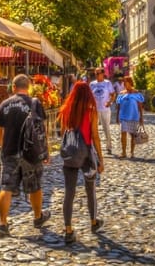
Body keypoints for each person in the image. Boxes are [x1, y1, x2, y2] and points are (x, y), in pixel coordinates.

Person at [0, 74, 50, 237]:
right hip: (31, 152)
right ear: (29, 87)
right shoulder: (34, 104)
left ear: (13, 87)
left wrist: (4, 144)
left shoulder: (5, 104)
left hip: (10, 151)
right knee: (35, 186)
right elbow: (42, 130)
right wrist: (46, 150)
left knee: (6, 187)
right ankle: (38, 217)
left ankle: (3, 224)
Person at [57, 81, 104, 243]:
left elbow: (63, 134)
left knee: (69, 192)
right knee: (90, 189)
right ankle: (93, 221)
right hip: (86, 154)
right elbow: (95, 136)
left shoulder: (65, 110)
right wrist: (100, 159)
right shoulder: (91, 111)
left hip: (70, 154)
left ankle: (68, 230)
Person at [116, 76, 145, 159]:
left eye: (126, 82)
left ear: (130, 82)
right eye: (124, 82)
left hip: (134, 116)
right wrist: (117, 116)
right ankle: (124, 152)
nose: (125, 83)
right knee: (123, 133)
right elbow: (118, 106)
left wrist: (141, 118)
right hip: (123, 117)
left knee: (133, 135)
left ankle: (132, 152)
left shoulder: (136, 93)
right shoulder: (121, 93)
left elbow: (140, 106)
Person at [89, 68, 116, 155]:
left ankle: (109, 147)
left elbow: (113, 95)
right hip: (95, 110)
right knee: (93, 129)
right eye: (95, 73)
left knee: (106, 128)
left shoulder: (107, 83)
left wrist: (110, 102)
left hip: (105, 109)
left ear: (103, 74)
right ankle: (93, 147)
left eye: (98, 73)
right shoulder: (92, 84)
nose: (96, 75)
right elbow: (89, 96)